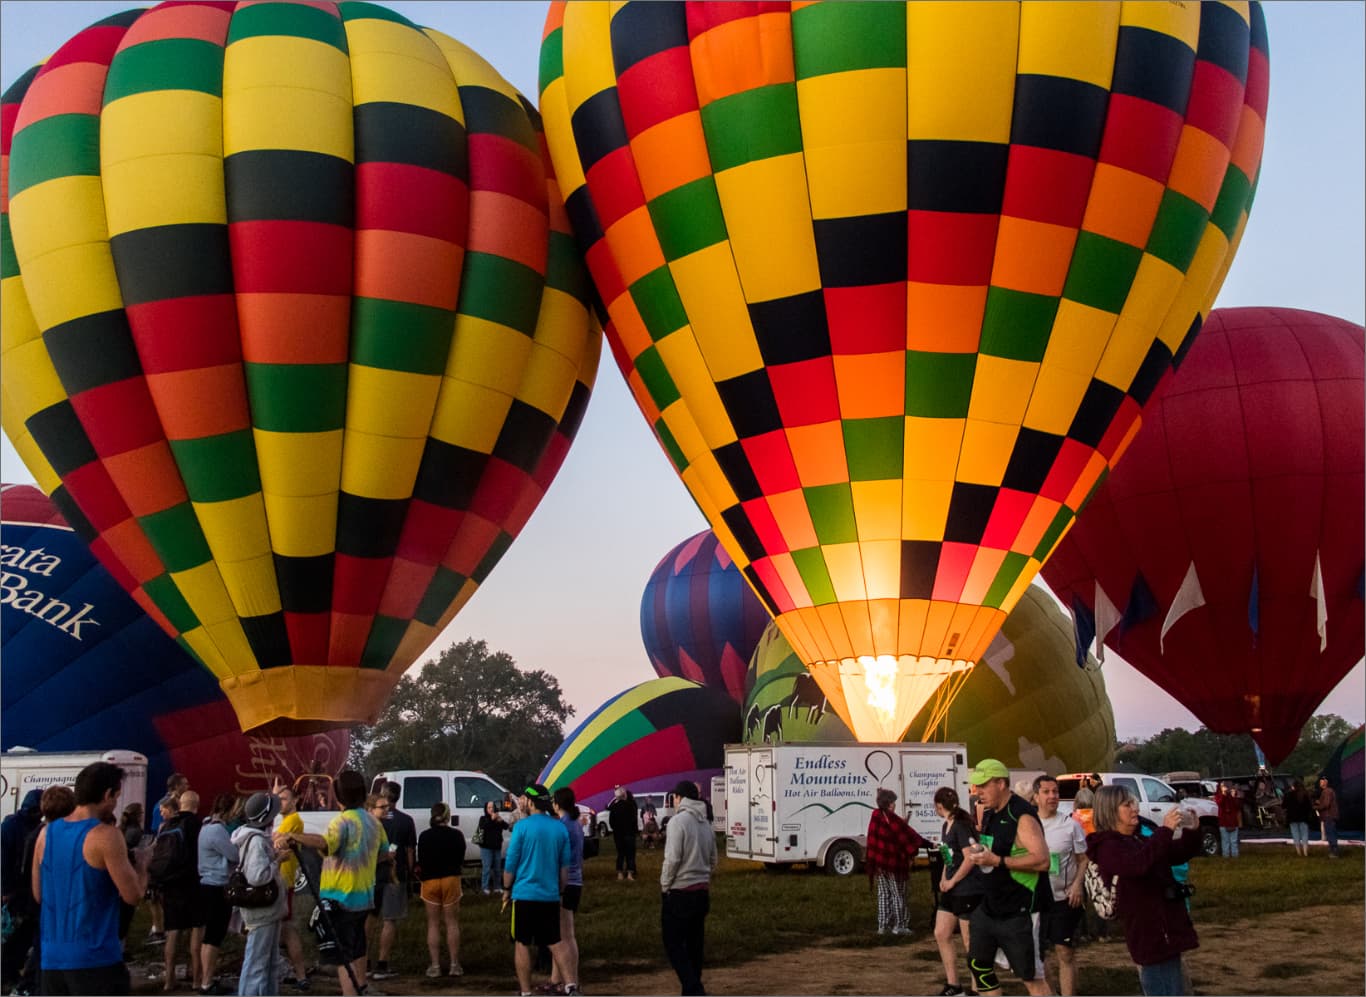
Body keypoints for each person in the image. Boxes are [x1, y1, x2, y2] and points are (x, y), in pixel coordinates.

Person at [31, 761, 150, 995]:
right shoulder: (106, 836)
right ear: (108, 794)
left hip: (51, 959)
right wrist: (144, 867)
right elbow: (133, 895)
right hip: (95, 959)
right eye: (116, 796)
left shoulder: (46, 834)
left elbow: (38, 895)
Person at [1085, 785, 1203, 996]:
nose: (1135, 808)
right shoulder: (1108, 848)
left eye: (1134, 803)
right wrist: (1165, 831)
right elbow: (1137, 865)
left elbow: (1175, 853)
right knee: (1162, 988)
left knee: (1176, 989)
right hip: (1149, 934)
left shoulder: (1138, 839)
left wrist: (1192, 831)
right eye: (1127, 804)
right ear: (1110, 811)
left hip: (1166, 930)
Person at [281, 770, 388, 997]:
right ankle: (362, 988)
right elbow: (384, 853)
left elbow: (325, 844)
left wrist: (297, 837)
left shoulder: (342, 822)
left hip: (341, 900)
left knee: (344, 959)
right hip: (364, 897)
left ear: (339, 796)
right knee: (358, 950)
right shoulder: (373, 822)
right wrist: (360, 861)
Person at [962, 759, 1052, 997]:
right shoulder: (991, 813)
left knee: (1030, 976)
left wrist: (997, 862)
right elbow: (997, 849)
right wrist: (981, 853)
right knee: (978, 965)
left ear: (1001, 783)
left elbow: (1043, 860)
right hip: (991, 906)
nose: (977, 791)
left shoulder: (1021, 815)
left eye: (983, 785)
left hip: (1020, 910)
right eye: (975, 786)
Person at [503, 784, 572, 997]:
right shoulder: (560, 827)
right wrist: (560, 891)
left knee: (522, 943)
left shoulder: (522, 827)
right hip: (550, 894)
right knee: (555, 941)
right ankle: (571, 986)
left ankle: (526, 991)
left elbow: (511, 863)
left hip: (523, 894)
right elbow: (564, 867)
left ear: (531, 802)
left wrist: (506, 888)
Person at [11, 786, 77, 997]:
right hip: (45, 905)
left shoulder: (39, 834)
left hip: (40, 903)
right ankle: (29, 987)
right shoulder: (45, 836)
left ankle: (28, 986)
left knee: (40, 950)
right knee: (41, 951)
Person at [660, 780, 717, 997]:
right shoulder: (706, 824)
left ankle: (694, 988)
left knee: (672, 943)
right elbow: (713, 860)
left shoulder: (677, 822)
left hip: (679, 892)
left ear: (680, 798)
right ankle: (691, 989)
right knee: (695, 945)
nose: (673, 801)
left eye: (674, 797)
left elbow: (673, 858)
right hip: (701, 891)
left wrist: (665, 885)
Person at [1034, 776, 1089, 997]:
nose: (1052, 797)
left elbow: (1083, 859)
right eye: (1046, 792)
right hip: (1036, 898)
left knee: (1064, 952)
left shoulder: (1070, 825)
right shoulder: (1028, 824)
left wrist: (1077, 885)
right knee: (1039, 954)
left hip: (1063, 898)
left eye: (1055, 792)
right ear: (1036, 796)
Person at [230, 792, 288, 996]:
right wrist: (278, 861)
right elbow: (258, 876)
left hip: (268, 912)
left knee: (269, 962)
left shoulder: (254, 837)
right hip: (262, 913)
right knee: (256, 964)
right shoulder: (255, 842)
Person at [932, 786, 983, 997]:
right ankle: (953, 984)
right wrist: (944, 878)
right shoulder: (947, 825)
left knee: (969, 940)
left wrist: (953, 881)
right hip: (952, 888)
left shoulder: (962, 826)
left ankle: (976, 988)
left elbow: (970, 858)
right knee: (941, 932)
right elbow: (949, 856)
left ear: (938, 806)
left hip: (968, 889)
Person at [156, 793, 205, 993]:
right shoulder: (198, 825)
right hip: (193, 882)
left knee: (172, 932)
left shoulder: (166, 826)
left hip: (170, 885)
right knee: (196, 929)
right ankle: (196, 977)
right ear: (197, 805)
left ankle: (169, 979)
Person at [864, 787, 927, 937]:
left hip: (879, 863)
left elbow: (875, 839)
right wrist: (930, 845)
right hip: (895, 864)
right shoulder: (893, 820)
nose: (895, 805)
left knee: (883, 894)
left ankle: (883, 926)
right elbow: (910, 838)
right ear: (889, 803)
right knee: (898, 894)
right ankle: (900, 925)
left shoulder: (876, 815)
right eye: (893, 802)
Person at [371, 781, 416, 982]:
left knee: (369, 918)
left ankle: (362, 962)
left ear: (382, 794)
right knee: (389, 920)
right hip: (394, 876)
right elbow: (409, 851)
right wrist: (410, 870)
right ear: (399, 796)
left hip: (370, 875)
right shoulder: (406, 821)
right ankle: (382, 964)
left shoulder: (372, 820)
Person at [196, 793, 239, 996]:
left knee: (209, 936)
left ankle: (206, 979)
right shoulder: (217, 830)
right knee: (214, 936)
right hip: (217, 885)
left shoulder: (205, 827)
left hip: (207, 884)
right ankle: (207, 981)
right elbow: (234, 855)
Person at [2, 788, 44, 992]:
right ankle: (7, 975)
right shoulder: (12, 826)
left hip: (26, 889)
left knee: (22, 934)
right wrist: (6, 888)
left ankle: (12, 973)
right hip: (16, 890)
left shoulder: (32, 826)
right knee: (15, 936)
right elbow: (4, 859)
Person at [417, 802, 466, 979]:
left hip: (430, 881)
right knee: (452, 923)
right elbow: (461, 858)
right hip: (451, 879)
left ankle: (435, 966)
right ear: (447, 816)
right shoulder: (457, 835)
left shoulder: (424, 836)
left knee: (433, 924)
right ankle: (454, 965)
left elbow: (420, 860)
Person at [271, 784, 312, 992]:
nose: (281, 802)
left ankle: (300, 974)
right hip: (280, 880)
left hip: (284, 881)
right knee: (279, 930)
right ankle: (286, 970)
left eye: (284, 799)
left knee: (288, 930)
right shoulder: (286, 820)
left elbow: (275, 842)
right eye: (278, 799)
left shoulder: (294, 820)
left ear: (295, 801)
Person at [548, 787, 585, 996]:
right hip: (576, 882)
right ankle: (559, 980)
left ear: (557, 804)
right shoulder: (576, 824)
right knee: (568, 935)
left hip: (564, 883)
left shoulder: (562, 827)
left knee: (561, 936)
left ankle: (570, 983)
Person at [117, 803, 146, 950]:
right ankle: (121, 948)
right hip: (131, 872)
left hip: (120, 874)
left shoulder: (120, 830)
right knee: (126, 915)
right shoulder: (135, 832)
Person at [477, 800, 508, 896]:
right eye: (489, 807)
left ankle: (497, 887)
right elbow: (484, 828)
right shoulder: (483, 818)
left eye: (492, 807)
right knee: (486, 868)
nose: (491, 809)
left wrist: (501, 820)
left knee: (497, 868)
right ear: (486, 809)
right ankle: (485, 887)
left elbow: (506, 827)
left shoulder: (497, 818)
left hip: (497, 847)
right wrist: (491, 819)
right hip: (486, 847)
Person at [607, 786, 638, 882]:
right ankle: (629, 874)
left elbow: (611, 822)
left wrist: (616, 829)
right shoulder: (630, 806)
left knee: (620, 854)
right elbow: (634, 820)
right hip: (629, 834)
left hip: (618, 835)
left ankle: (620, 874)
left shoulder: (614, 807)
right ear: (624, 795)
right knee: (630, 854)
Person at [1282, 779, 1315, 857]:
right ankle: (1305, 851)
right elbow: (1310, 807)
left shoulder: (1288, 795)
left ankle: (1298, 852)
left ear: (1293, 786)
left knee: (1295, 835)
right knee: (1304, 834)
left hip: (1292, 818)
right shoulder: (1305, 794)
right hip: (1304, 818)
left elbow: (1283, 806)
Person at [1314, 776, 1340, 857]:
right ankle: (1333, 851)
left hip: (1329, 816)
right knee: (1330, 834)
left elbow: (1326, 804)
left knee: (1331, 834)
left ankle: (1334, 853)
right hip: (1329, 816)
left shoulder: (1327, 791)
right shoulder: (1328, 791)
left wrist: (1316, 807)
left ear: (1326, 782)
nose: (1320, 783)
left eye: (1321, 782)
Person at [1214, 782, 1241, 858]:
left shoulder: (1233, 795)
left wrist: (1234, 796)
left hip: (1233, 821)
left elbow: (1237, 806)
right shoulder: (1218, 796)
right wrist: (1223, 794)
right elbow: (1220, 803)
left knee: (1233, 841)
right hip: (1223, 821)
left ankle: (1235, 855)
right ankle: (1226, 855)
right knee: (1225, 841)